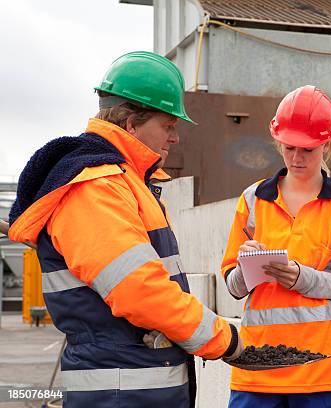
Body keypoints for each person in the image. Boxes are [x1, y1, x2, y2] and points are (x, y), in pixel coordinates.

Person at [8, 51, 243, 408]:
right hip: (122, 391)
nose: (175, 138)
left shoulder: (123, 183)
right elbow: (139, 290)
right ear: (132, 124)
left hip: (131, 386)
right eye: (168, 125)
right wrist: (222, 338)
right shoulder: (96, 187)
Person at [221, 85, 331, 408]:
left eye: (308, 150)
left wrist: (302, 278)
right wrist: (248, 268)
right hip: (259, 366)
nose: (296, 157)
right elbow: (232, 287)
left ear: (327, 145)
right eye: (289, 148)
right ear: (278, 142)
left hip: (325, 370)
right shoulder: (252, 200)